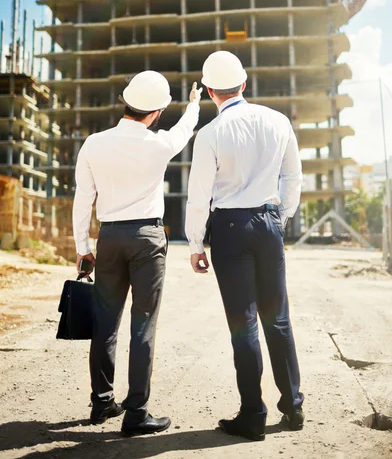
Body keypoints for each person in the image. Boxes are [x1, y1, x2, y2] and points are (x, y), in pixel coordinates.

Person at [73, 71, 201, 436]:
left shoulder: (93, 144)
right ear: (157, 111)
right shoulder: (158, 144)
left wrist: (82, 247)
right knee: (143, 325)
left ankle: (101, 403)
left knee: (105, 324)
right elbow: (183, 132)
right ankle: (136, 413)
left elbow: (84, 199)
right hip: (147, 238)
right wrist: (193, 105)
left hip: (109, 238)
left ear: (125, 102)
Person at [185, 51, 304, 442]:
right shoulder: (278, 121)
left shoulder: (210, 134)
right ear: (245, 83)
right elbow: (292, 177)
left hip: (230, 229)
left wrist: (197, 243)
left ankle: (253, 414)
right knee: (279, 319)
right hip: (269, 222)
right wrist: (280, 219)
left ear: (207, 90)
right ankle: (294, 406)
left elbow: (199, 195)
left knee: (244, 324)